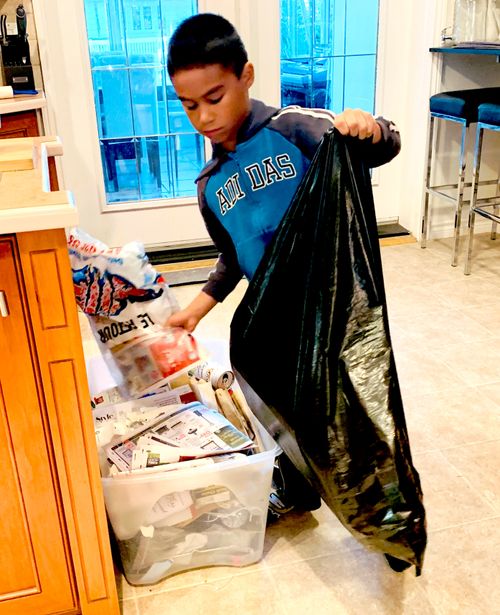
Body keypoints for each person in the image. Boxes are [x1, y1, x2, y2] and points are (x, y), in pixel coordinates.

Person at [166, 13, 401, 516]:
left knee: (353, 412)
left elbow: (383, 145)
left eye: (215, 97)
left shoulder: (294, 129)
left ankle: (387, 507)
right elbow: (233, 257)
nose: (204, 116)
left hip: (331, 309)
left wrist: (370, 129)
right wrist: (196, 309)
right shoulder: (210, 186)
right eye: (189, 105)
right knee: (269, 398)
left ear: (245, 77)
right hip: (274, 317)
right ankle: (295, 486)